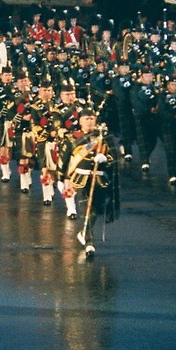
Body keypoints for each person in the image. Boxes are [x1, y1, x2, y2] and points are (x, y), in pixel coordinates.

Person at [61, 109, 121, 257]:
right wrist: (65, 180)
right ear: (80, 121)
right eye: (86, 119)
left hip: (99, 179)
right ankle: (89, 243)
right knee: (88, 210)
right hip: (81, 180)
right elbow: (65, 161)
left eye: (92, 119)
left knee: (97, 210)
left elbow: (114, 158)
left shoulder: (105, 138)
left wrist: (105, 159)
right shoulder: (72, 138)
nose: (89, 122)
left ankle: (83, 233)